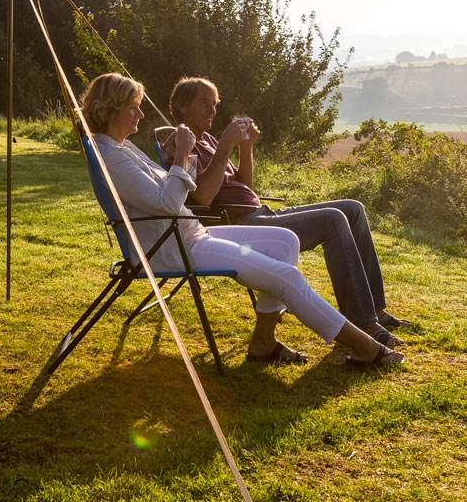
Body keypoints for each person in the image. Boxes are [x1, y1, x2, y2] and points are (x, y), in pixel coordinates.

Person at [81, 72, 403, 367]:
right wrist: (181, 156)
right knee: (286, 277)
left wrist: (198, 156)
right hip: (174, 247)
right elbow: (168, 202)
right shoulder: (111, 156)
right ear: (112, 110)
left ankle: (263, 342)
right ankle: (364, 345)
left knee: (286, 241)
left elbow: (173, 190)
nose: (140, 113)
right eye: (133, 107)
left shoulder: (121, 148)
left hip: (191, 235)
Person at [163, 76, 412, 349]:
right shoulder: (182, 142)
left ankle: (374, 310)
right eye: (204, 103)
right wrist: (225, 145)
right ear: (183, 106)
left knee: (353, 208)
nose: (212, 111)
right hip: (241, 225)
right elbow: (203, 196)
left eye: (214, 104)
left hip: (262, 212)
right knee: (333, 220)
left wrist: (246, 146)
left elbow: (243, 185)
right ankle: (362, 322)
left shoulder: (208, 139)